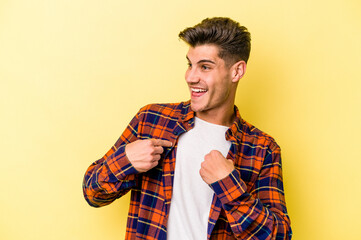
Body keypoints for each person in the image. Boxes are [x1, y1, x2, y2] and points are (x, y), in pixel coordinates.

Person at [83, 17, 292, 240]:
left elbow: (278, 236)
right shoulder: (152, 121)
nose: (191, 77)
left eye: (205, 67)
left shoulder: (262, 149)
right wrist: (125, 160)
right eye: (189, 65)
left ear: (237, 72)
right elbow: (92, 193)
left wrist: (229, 185)